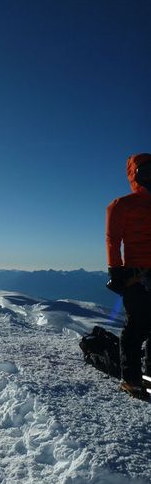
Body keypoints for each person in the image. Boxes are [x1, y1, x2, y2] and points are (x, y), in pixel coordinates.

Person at [106, 153, 151, 397]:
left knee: (140, 326)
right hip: (136, 275)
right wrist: (116, 269)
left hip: (135, 275)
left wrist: (116, 269)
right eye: (145, 171)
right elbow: (113, 240)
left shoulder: (121, 205)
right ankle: (131, 378)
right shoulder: (122, 205)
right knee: (137, 326)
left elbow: (113, 241)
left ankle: (140, 377)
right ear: (135, 174)